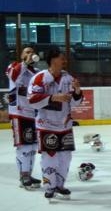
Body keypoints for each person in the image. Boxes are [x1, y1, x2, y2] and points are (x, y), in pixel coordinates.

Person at [27, 49, 82, 201]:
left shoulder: (68, 77)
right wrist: (53, 97)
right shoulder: (40, 78)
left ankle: (60, 185)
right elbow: (32, 100)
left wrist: (77, 90)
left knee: (65, 157)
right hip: (46, 125)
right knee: (50, 157)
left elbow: (76, 102)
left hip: (65, 126)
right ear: (53, 60)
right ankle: (50, 186)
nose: (64, 60)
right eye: (61, 57)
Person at [6, 46, 41, 190]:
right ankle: (23, 175)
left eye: (32, 52)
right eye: (27, 52)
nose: (30, 54)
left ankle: (28, 174)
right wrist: (25, 63)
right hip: (19, 113)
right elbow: (14, 76)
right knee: (23, 146)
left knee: (32, 146)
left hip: (34, 114)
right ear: (21, 55)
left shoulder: (37, 73)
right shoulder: (13, 67)